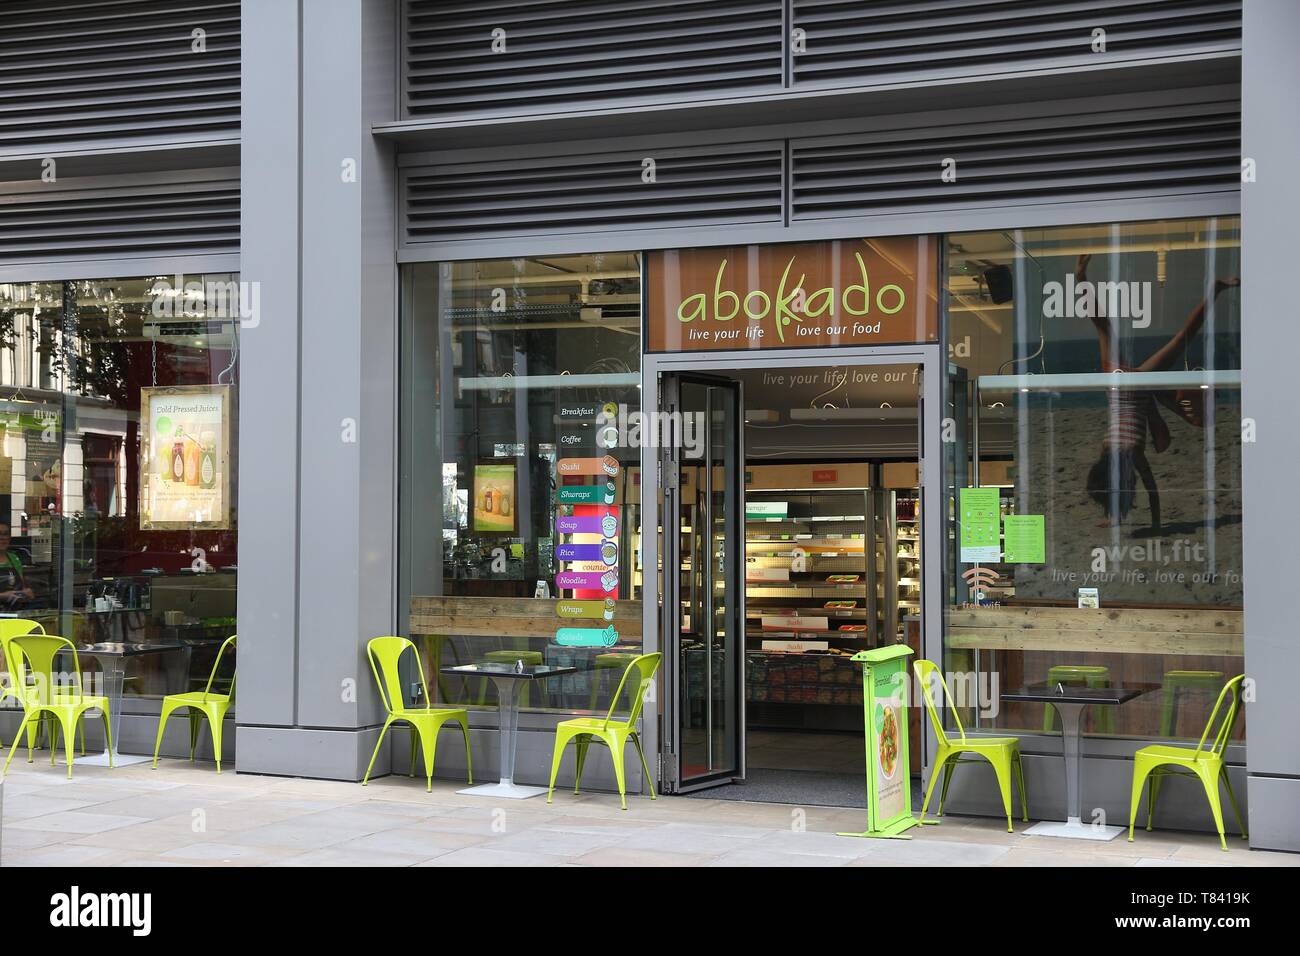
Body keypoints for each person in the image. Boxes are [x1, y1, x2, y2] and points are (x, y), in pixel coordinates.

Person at [1079, 254, 1239, 533]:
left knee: (1181, 338)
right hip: (1119, 386)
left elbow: (1151, 490)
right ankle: (1081, 278)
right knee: (1105, 327)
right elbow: (1122, 484)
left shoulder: (1133, 454)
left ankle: (1215, 292)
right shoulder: (1107, 449)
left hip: (1139, 387)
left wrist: (1155, 525)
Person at [0, 522, 34, 607]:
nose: (2, 538)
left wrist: (25, 593)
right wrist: (3, 596)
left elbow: (22, 587)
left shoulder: (14, 559)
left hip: (13, 611)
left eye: (5, 534)